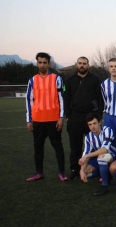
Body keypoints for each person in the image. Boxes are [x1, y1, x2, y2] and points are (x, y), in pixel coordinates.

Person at [25, 52, 67, 182]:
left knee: (58, 146)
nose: (42, 65)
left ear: (49, 64)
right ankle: (39, 172)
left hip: (53, 119)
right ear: (37, 63)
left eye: (44, 62)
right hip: (38, 119)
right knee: (38, 147)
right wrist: (29, 120)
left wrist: (61, 117)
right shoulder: (32, 80)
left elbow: (62, 99)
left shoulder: (57, 78)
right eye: (39, 62)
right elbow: (29, 100)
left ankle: (61, 172)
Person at [64, 56, 104, 180]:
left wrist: (99, 115)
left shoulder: (95, 79)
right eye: (80, 63)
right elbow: (66, 99)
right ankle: (74, 170)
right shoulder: (70, 80)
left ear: (88, 65)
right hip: (75, 117)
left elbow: (100, 98)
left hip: (90, 117)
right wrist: (68, 116)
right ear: (77, 65)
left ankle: (93, 168)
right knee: (75, 146)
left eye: (84, 63)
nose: (82, 65)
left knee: (92, 145)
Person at [78, 113, 116, 196]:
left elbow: (105, 149)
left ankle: (104, 185)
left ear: (99, 122)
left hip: (114, 155)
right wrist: (82, 170)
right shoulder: (88, 137)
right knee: (86, 173)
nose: (92, 126)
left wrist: (86, 156)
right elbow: (85, 154)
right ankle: (105, 174)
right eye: (90, 124)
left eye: (94, 123)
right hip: (100, 158)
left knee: (101, 157)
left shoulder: (107, 130)